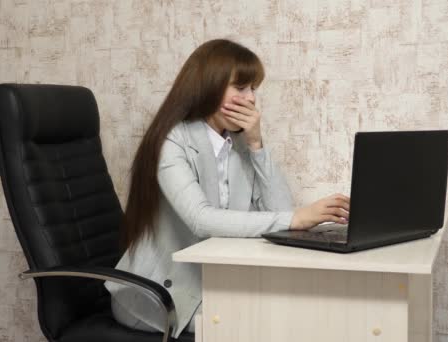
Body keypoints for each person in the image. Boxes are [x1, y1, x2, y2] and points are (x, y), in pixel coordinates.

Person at [105, 39, 350, 338]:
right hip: (157, 295)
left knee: (299, 311)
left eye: (254, 89)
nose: (251, 99)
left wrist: (257, 145)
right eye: (241, 87)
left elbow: (280, 211)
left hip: (213, 283)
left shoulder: (237, 144)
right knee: (266, 325)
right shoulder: (171, 141)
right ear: (208, 87)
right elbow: (201, 218)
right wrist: (296, 218)